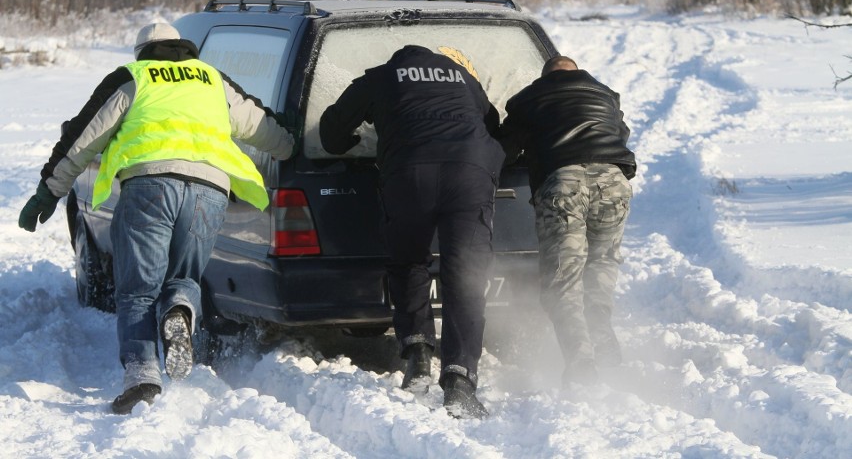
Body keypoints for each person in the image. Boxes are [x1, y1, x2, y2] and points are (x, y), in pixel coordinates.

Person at [18, 23, 296, 414]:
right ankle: (180, 308)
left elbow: (83, 138)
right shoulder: (212, 79)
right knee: (183, 277)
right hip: (209, 191)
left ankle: (142, 377)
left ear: (141, 52)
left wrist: (48, 191)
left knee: (137, 289)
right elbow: (265, 129)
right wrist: (298, 145)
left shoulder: (133, 78)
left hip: (150, 188)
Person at [319, 45, 504, 419]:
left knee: (408, 261)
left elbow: (331, 131)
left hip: (409, 175)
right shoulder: (462, 76)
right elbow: (493, 124)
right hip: (470, 175)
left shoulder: (379, 77)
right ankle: (460, 382)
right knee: (465, 275)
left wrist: (354, 142)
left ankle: (418, 353)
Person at [499, 55, 636, 386]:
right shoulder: (605, 94)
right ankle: (606, 349)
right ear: (578, 73)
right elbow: (622, 133)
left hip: (564, 185)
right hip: (614, 182)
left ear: (544, 76)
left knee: (564, 278)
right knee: (602, 266)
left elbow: (502, 151)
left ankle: (581, 364)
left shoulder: (528, 100)